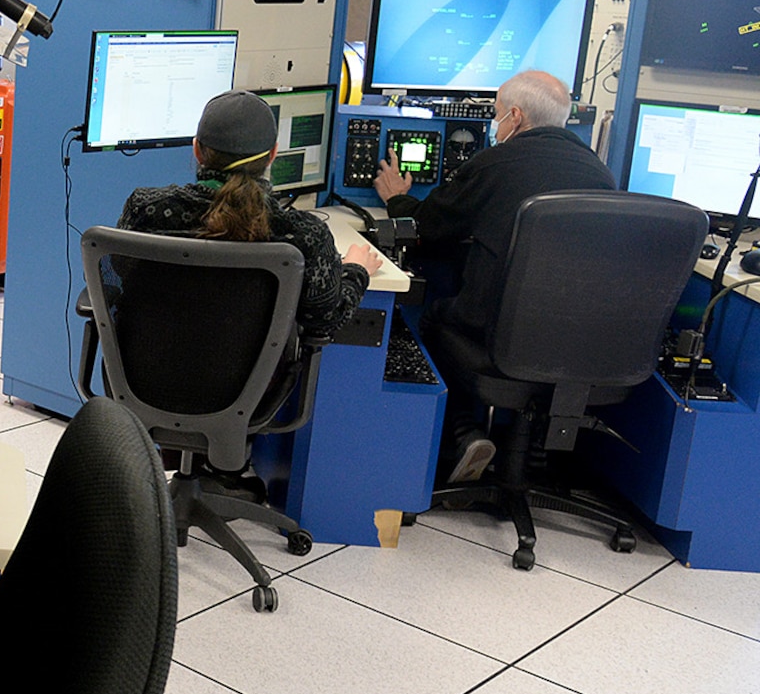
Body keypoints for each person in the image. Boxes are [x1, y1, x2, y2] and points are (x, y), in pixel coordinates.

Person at [373, 69, 616, 482]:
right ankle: (537, 445)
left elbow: (428, 229)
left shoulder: (495, 163)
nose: (495, 122)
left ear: (515, 117)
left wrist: (398, 199)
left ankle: (464, 432)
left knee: (434, 313)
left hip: (499, 338)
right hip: (578, 345)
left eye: (497, 113)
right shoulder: (601, 174)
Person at [117, 89, 380, 339]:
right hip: (254, 385)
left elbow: (112, 280)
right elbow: (326, 319)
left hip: (141, 375)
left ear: (196, 150)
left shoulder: (146, 209)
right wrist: (356, 270)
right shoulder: (305, 234)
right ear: (272, 155)